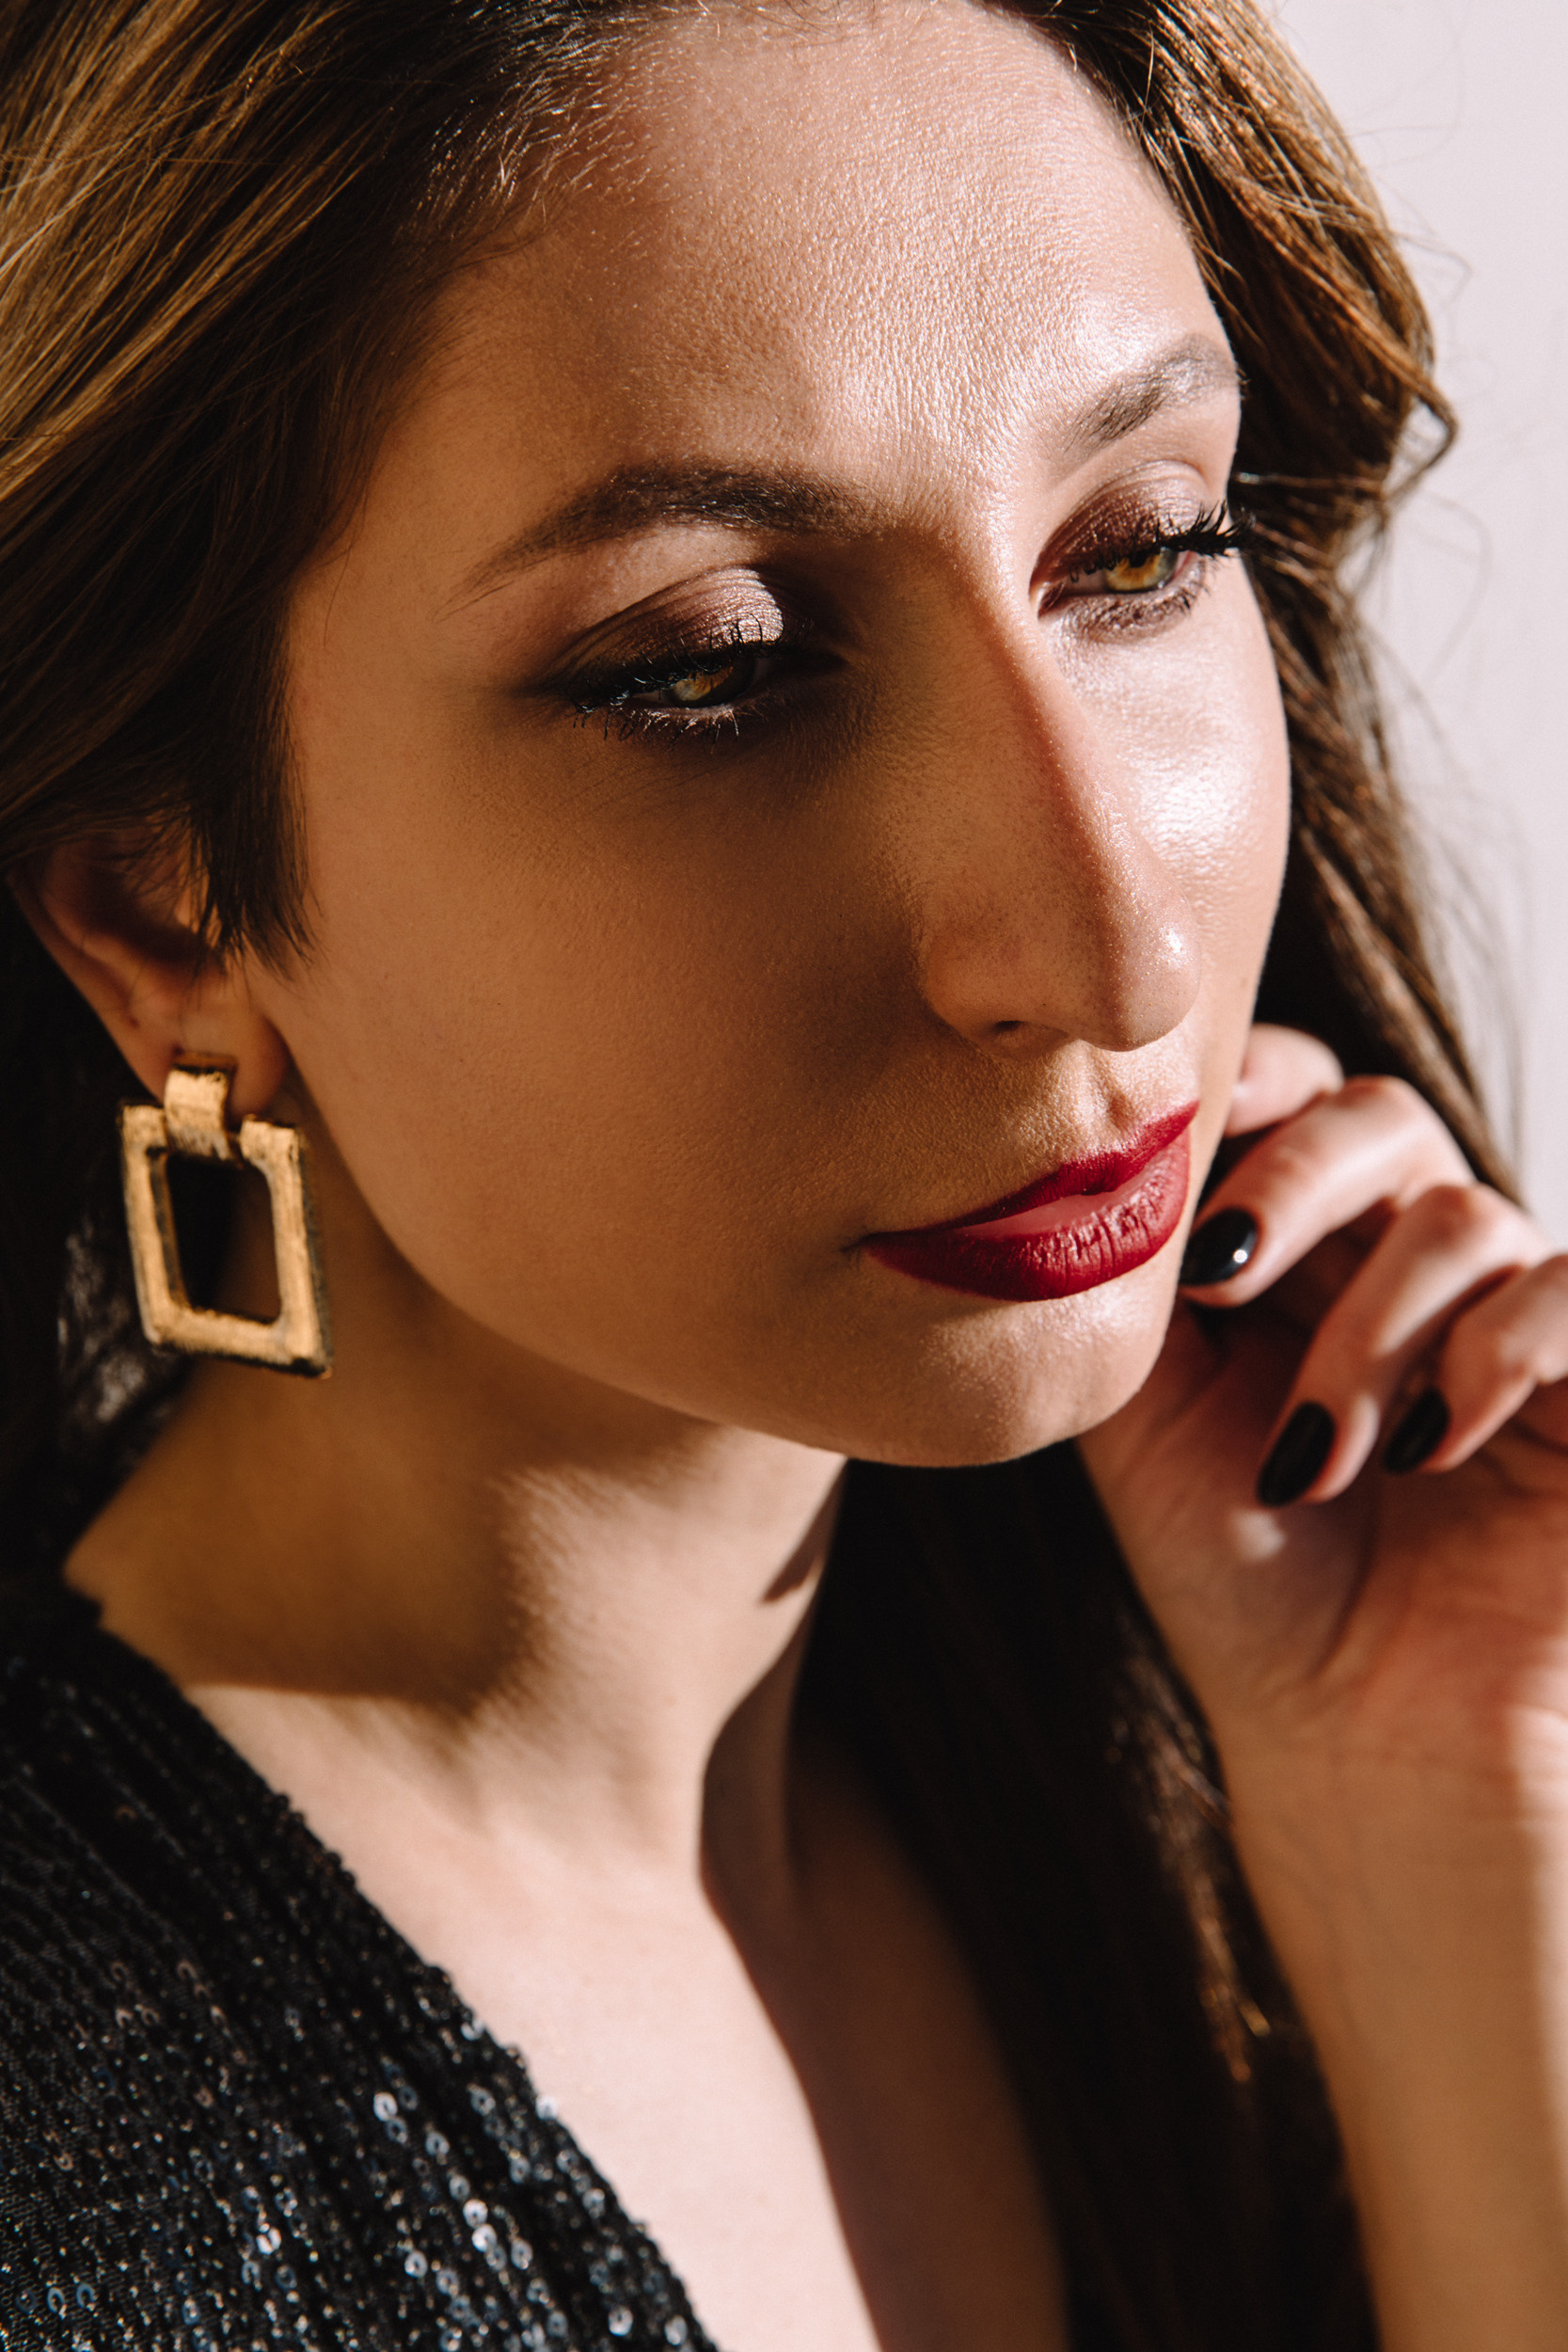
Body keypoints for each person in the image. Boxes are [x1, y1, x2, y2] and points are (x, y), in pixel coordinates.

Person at [1, 0, 1564, 2344]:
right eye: (710, 667)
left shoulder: (1145, 1778)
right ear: (162, 908)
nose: (1111, 943)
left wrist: (1449, 1841)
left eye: (1146, 547)